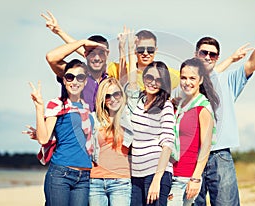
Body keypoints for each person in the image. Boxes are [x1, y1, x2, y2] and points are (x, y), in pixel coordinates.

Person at [193, 11, 255, 206]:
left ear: (217, 57)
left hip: (219, 156)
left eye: (212, 54)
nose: (207, 57)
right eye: (203, 52)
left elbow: (253, 61)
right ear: (196, 54)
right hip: (191, 156)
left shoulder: (228, 81)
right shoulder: (187, 83)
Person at [28, 59, 95, 206]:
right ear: (64, 80)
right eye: (70, 77)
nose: (75, 81)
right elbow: (44, 138)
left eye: (80, 77)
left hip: (84, 176)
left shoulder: (87, 107)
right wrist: (39, 107)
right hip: (61, 173)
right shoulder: (57, 104)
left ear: (85, 82)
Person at [125, 31, 175, 206]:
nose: (152, 82)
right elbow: (131, 80)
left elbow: (167, 145)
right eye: (149, 77)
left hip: (157, 173)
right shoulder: (137, 100)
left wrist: (157, 180)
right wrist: (131, 51)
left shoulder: (166, 106)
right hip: (136, 174)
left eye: (158, 79)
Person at [167, 58, 219, 206]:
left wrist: (196, 178)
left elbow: (206, 147)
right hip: (171, 173)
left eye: (192, 78)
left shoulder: (203, 108)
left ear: (201, 80)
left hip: (185, 177)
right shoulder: (180, 105)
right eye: (183, 78)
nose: (187, 82)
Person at [89, 77, 131, 206]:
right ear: (102, 99)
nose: (112, 99)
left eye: (116, 94)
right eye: (107, 96)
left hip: (121, 181)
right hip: (95, 181)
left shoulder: (129, 116)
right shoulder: (94, 118)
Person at [45, 37, 109, 112]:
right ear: (85, 54)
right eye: (92, 53)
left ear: (107, 55)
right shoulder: (76, 75)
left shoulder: (110, 79)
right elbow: (51, 58)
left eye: (101, 53)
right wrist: (82, 42)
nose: (97, 58)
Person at [108, 28, 180, 90]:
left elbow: (189, 72)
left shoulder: (166, 73)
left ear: (156, 50)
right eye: (141, 49)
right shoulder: (121, 68)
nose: (145, 53)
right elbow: (100, 64)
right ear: (135, 51)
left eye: (150, 49)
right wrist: (121, 46)